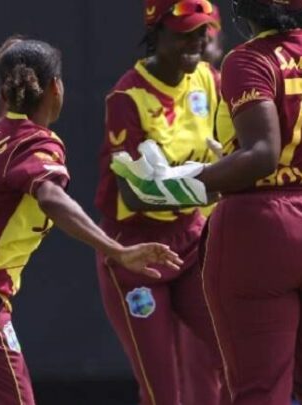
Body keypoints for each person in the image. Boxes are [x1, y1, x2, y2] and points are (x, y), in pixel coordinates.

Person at [0, 36, 181, 405]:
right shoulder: (38, 143)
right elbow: (50, 197)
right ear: (56, 87)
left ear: (6, 91)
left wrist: (7, 75)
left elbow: (0, 121)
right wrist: (116, 250)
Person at [113, 0, 302, 403]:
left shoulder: (246, 59)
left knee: (260, 386)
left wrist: (180, 182)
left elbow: (262, 156)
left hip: (262, 224)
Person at [94, 1, 227, 404]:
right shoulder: (127, 97)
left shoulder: (208, 79)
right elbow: (133, 193)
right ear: (156, 32)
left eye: (201, 31)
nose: (196, 41)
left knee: (236, 355)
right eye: (184, 33)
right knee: (162, 392)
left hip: (191, 240)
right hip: (136, 253)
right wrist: (208, 187)